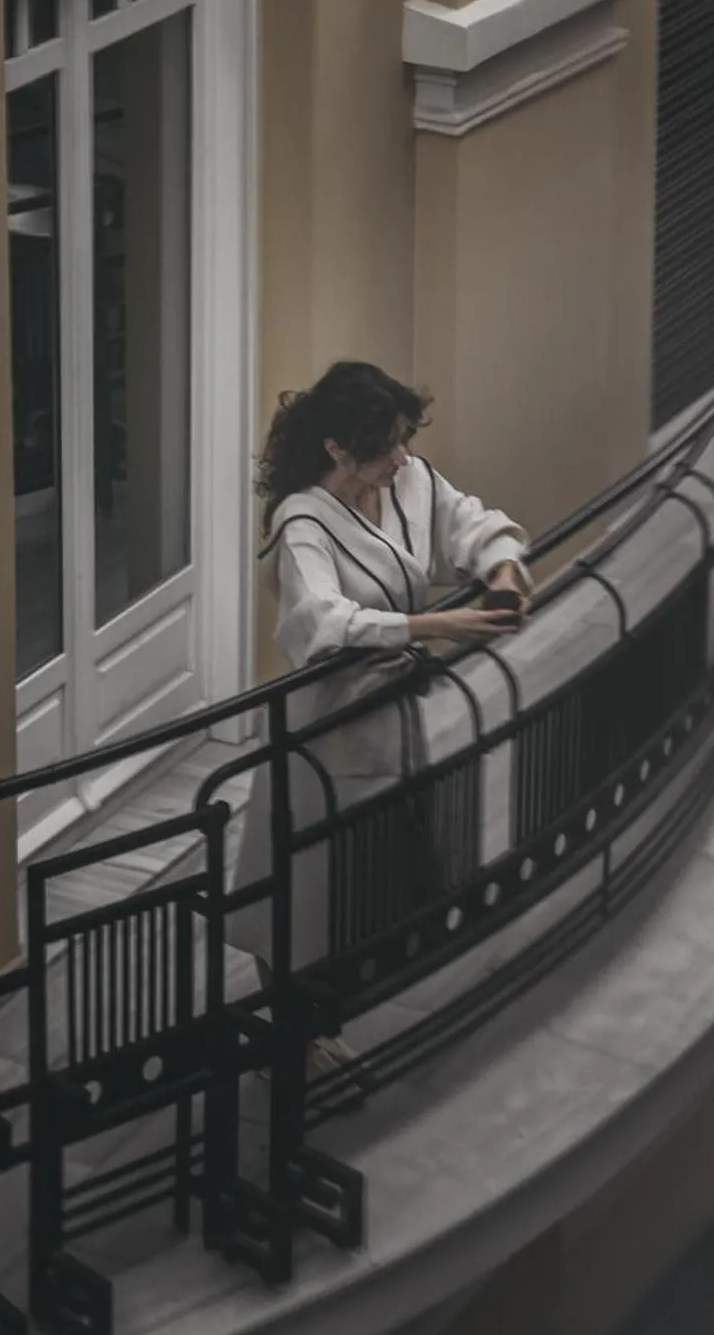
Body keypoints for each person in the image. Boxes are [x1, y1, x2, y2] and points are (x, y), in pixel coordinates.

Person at [228, 360, 532, 1077]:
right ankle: (293, 1035)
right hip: (324, 727)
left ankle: (323, 1014)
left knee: (366, 871)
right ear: (336, 448)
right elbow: (321, 620)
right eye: (386, 444)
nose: (402, 456)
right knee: (302, 887)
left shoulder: (410, 481)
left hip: (388, 712)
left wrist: (505, 570)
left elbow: (471, 522)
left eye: (404, 440)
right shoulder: (300, 519)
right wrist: (437, 623)